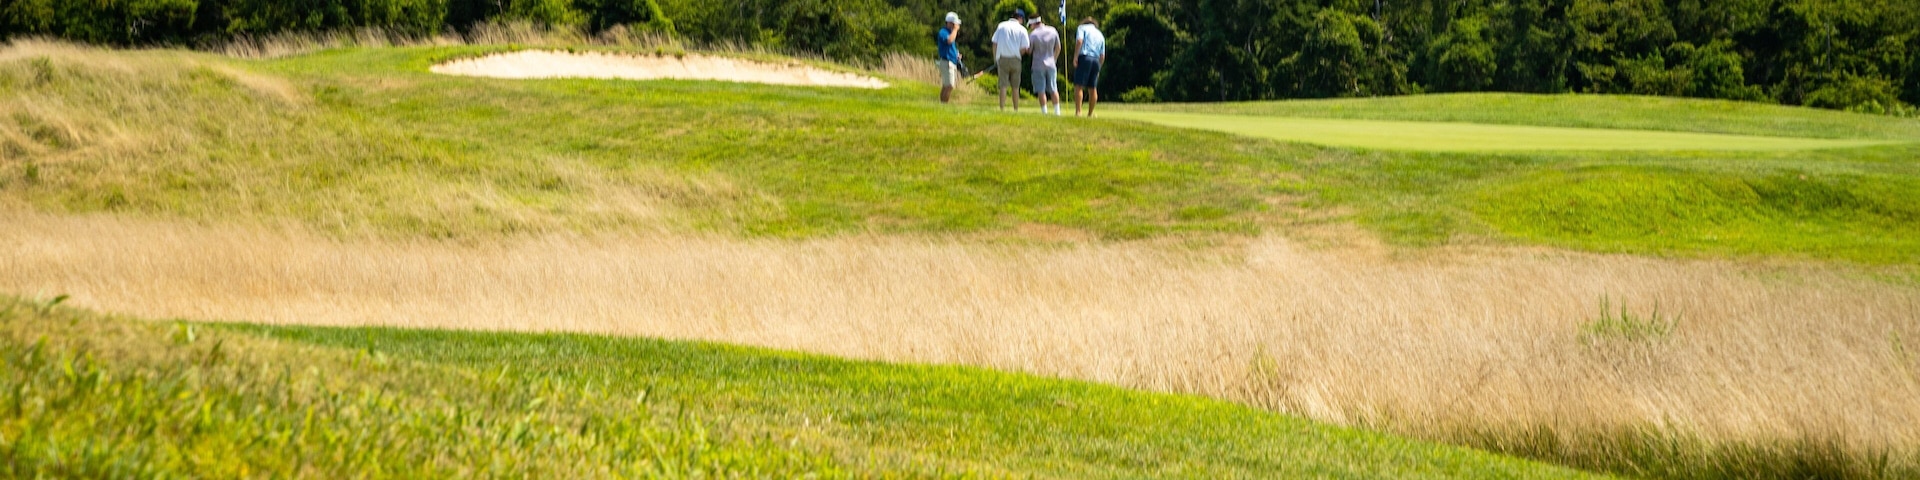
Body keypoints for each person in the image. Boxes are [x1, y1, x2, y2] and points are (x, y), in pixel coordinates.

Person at [990, 9, 1031, 111]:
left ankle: (1002, 108)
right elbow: (1025, 48)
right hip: (1015, 59)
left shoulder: (1001, 26)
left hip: (1003, 58)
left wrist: (996, 58)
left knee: (1003, 85)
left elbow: (994, 43)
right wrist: (1018, 53)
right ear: (1020, 18)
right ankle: (1015, 109)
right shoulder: (1022, 29)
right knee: (1015, 87)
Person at [1027, 15, 1062, 116]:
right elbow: (1058, 47)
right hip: (1051, 63)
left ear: (1033, 23)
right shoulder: (1053, 30)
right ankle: (1057, 111)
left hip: (1038, 65)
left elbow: (1029, 51)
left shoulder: (1033, 35)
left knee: (1041, 90)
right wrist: (1054, 59)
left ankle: (1044, 112)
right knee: (1053, 88)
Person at [1071, 17, 1105, 117]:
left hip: (1085, 57)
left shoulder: (1082, 28)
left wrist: (1075, 56)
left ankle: (1078, 112)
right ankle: (1090, 114)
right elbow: (1102, 55)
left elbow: (1079, 41)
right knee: (1092, 88)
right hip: (1096, 60)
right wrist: (1099, 68)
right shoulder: (1100, 34)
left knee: (1079, 85)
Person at [935, 12, 963, 104]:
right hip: (946, 62)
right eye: (955, 24)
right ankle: (944, 104)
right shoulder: (943, 32)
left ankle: (942, 104)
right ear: (950, 23)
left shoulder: (950, 33)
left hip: (952, 61)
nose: (957, 26)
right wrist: (955, 30)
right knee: (949, 85)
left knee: (946, 85)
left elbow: (951, 46)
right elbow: (949, 41)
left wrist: (956, 54)